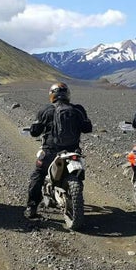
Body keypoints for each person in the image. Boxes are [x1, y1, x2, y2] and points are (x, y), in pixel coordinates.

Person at [26, 82, 93, 218]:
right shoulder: (78, 109)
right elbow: (88, 128)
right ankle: (73, 197)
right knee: (79, 174)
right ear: (67, 95)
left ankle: (32, 207)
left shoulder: (46, 110)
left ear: (52, 95)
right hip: (73, 150)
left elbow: (34, 132)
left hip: (51, 151)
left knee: (38, 174)